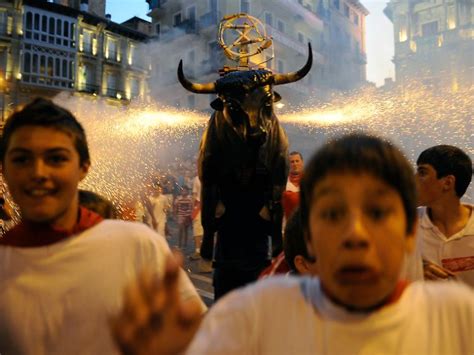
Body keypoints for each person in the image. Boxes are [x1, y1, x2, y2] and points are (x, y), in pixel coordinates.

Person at [112, 133, 473, 355]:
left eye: (378, 213)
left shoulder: (457, 315)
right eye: (333, 214)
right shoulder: (251, 315)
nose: (356, 235)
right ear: (309, 234)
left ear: (411, 230)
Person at [0, 98, 205, 354]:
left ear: (83, 168)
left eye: (56, 158)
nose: (39, 172)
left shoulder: (137, 243)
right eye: (22, 159)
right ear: (4, 170)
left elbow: (199, 337)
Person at [415, 145, 473, 286]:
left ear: (447, 182)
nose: (413, 179)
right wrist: (415, 269)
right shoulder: (405, 223)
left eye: (422, 173)